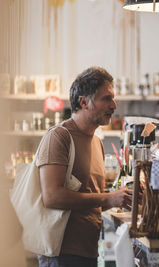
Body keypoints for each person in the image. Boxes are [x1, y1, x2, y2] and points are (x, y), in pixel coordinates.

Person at [36, 66, 132, 267]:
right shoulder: (59, 137)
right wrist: (108, 197)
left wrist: (118, 199)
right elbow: (52, 196)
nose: (114, 105)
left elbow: (91, 198)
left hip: (89, 250)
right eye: (106, 98)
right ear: (83, 102)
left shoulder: (96, 141)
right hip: (61, 254)